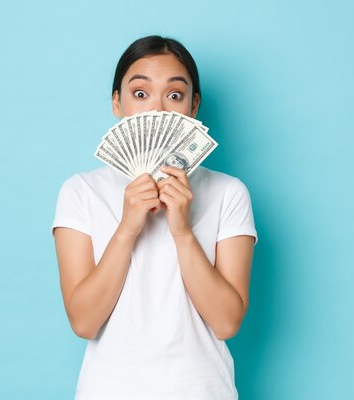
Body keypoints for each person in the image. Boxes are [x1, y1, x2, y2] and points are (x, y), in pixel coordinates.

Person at [51, 35, 257, 400]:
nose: (158, 109)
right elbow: (83, 321)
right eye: (140, 93)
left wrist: (183, 230)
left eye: (175, 95)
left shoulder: (229, 192)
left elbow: (227, 322)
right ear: (117, 103)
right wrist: (128, 227)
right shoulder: (80, 191)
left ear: (194, 106)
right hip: (108, 390)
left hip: (203, 390)